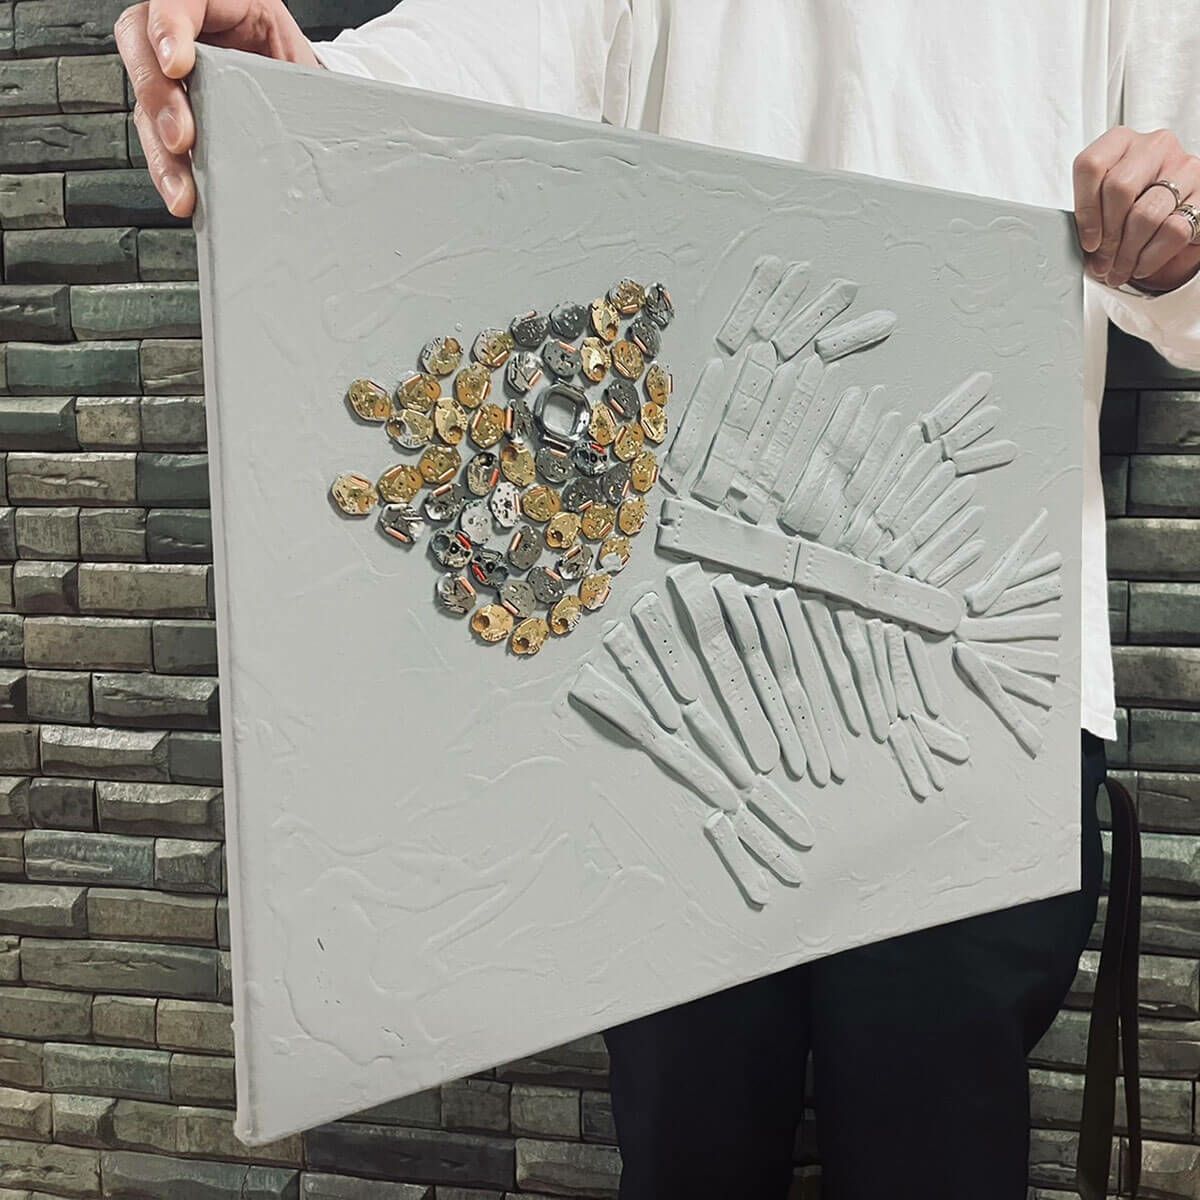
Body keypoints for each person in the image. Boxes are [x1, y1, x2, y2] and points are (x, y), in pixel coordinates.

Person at [114, 3, 1200, 1196]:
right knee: (690, 1148)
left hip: (977, 671)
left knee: (930, 1153)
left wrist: (1173, 239)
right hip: (685, 661)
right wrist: (298, 96)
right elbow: (491, 52)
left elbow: (1183, 235)